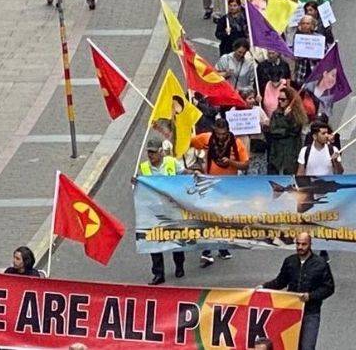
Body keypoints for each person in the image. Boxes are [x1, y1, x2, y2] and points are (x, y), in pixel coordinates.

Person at [188, 118, 248, 265]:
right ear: (214, 130)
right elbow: (188, 142)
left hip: (228, 188)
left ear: (228, 131)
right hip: (210, 185)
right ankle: (207, 251)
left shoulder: (237, 144)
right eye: (218, 133)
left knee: (223, 219)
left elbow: (245, 165)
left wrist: (231, 162)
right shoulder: (206, 139)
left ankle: (222, 247)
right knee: (209, 219)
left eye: (223, 134)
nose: (220, 137)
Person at [260, 231, 334, 350]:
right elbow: (280, 282)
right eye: (298, 244)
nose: (300, 247)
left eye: (304, 244)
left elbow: (329, 288)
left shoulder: (321, 264)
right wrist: (263, 287)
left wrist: (311, 296)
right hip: (291, 312)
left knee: (307, 347)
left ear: (310, 244)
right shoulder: (290, 261)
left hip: (311, 313)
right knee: (290, 345)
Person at [135, 136, 185, 284]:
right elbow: (139, 187)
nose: (150, 155)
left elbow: (183, 174)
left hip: (172, 210)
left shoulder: (171, 162)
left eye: (153, 152)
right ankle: (158, 274)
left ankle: (179, 265)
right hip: (153, 212)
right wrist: (136, 182)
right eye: (148, 152)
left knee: (177, 239)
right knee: (154, 241)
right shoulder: (144, 167)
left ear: (161, 152)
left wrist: (193, 173)